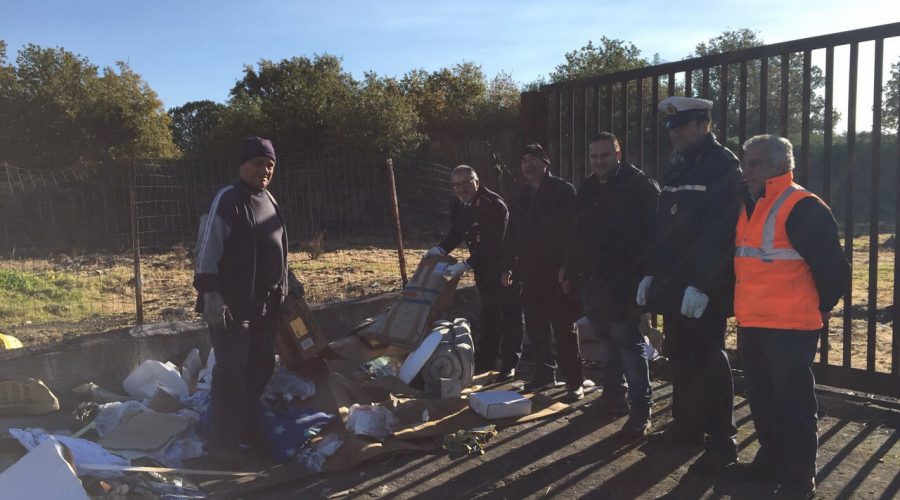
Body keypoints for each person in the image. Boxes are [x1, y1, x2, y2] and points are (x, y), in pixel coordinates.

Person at [733, 135, 848, 498]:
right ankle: (771, 462)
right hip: (754, 322)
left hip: (790, 326)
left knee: (793, 403)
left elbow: (835, 271)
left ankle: (799, 478)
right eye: (745, 163)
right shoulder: (752, 205)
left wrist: (820, 307)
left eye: (755, 163)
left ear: (781, 166)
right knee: (762, 398)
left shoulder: (802, 205)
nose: (746, 171)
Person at [636, 97, 743, 474]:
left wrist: (703, 284)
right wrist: (651, 272)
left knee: (708, 359)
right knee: (680, 356)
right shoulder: (679, 164)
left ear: (703, 124)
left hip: (702, 288)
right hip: (674, 283)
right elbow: (665, 228)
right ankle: (687, 427)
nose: (675, 133)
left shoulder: (721, 165)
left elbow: (722, 232)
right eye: (671, 128)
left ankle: (722, 439)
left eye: (682, 126)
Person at [193, 136, 303, 467]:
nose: (265, 169)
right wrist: (210, 293)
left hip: (266, 308)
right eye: (258, 163)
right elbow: (206, 248)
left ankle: (243, 430)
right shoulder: (227, 200)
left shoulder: (269, 200)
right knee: (231, 373)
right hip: (231, 309)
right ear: (243, 165)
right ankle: (221, 444)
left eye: (270, 164)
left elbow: (279, 250)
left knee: (261, 368)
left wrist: (289, 285)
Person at [571, 132, 659, 438]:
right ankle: (613, 397)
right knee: (605, 341)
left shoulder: (639, 186)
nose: (599, 161)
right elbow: (578, 232)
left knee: (628, 344)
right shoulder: (588, 188)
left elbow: (655, 234)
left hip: (627, 282)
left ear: (618, 155)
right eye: (594, 156)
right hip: (595, 282)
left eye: (605, 155)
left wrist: (648, 275)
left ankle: (641, 410)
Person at [424, 165, 525, 378]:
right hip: (483, 268)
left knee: (510, 315)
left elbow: (493, 244)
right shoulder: (458, 204)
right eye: (456, 185)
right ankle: (487, 362)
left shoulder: (493, 204)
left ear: (476, 182)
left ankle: (510, 364)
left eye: (465, 183)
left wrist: (466, 265)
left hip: (505, 266)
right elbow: (457, 231)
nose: (460, 189)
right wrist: (440, 249)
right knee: (488, 314)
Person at [503, 143, 585, 402]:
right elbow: (513, 233)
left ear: (545, 162)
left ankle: (574, 381)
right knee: (536, 326)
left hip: (557, 272)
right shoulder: (521, 194)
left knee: (563, 328)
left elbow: (575, 233)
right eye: (524, 160)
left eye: (533, 159)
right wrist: (510, 266)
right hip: (530, 272)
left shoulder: (563, 191)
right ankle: (544, 374)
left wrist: (568, 267)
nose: (529, 165)